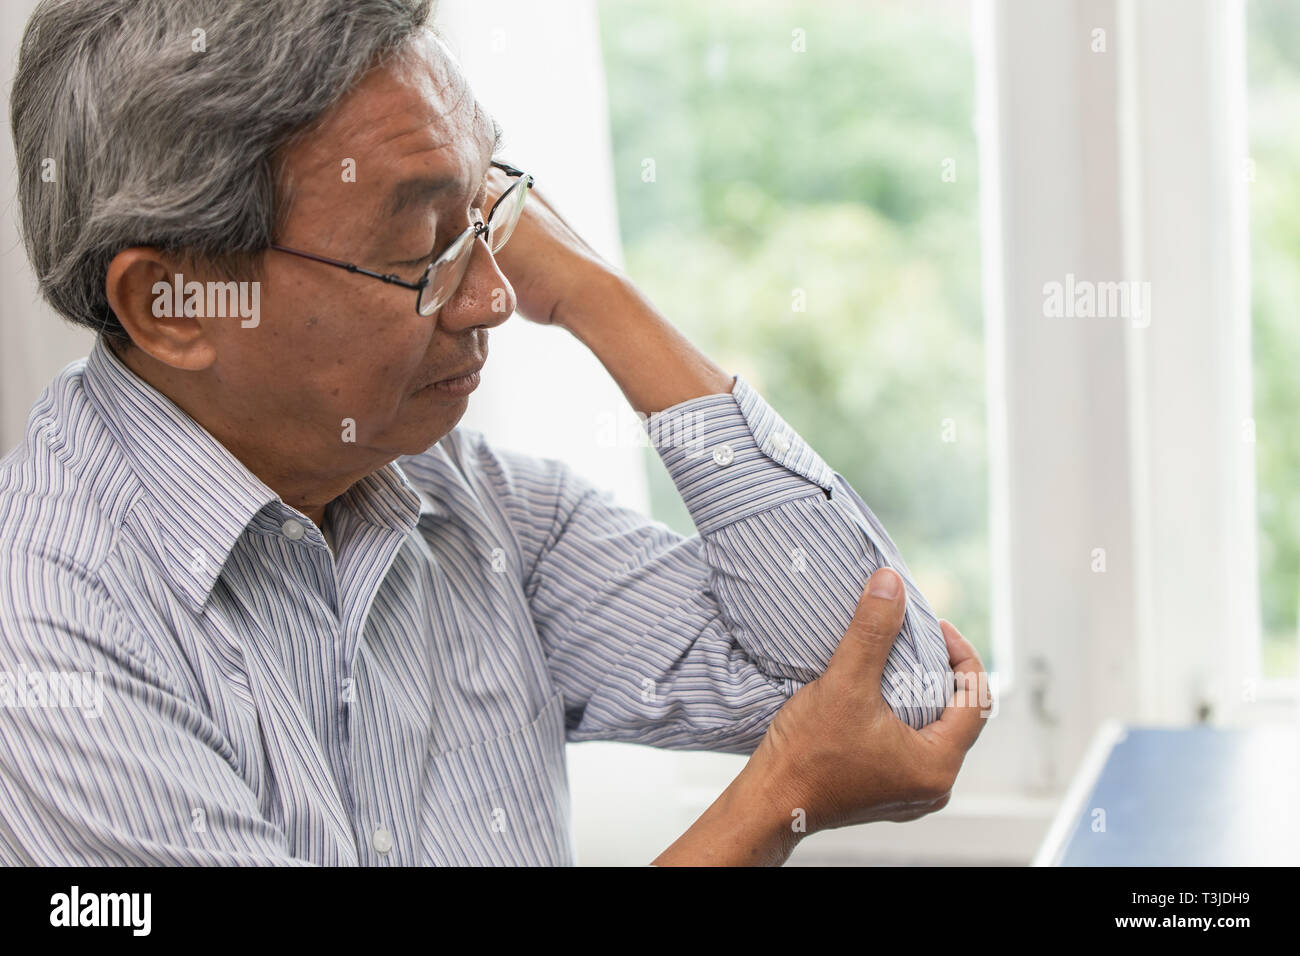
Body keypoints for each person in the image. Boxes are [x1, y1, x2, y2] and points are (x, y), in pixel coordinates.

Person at [0, 0, 988, 865]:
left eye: (484, 213)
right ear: (174, 302)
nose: (494, 296)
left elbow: (895, 684)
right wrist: (773, 803)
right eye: (420, 248)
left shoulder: (464, 497)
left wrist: (602, 298)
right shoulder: (45, 625)